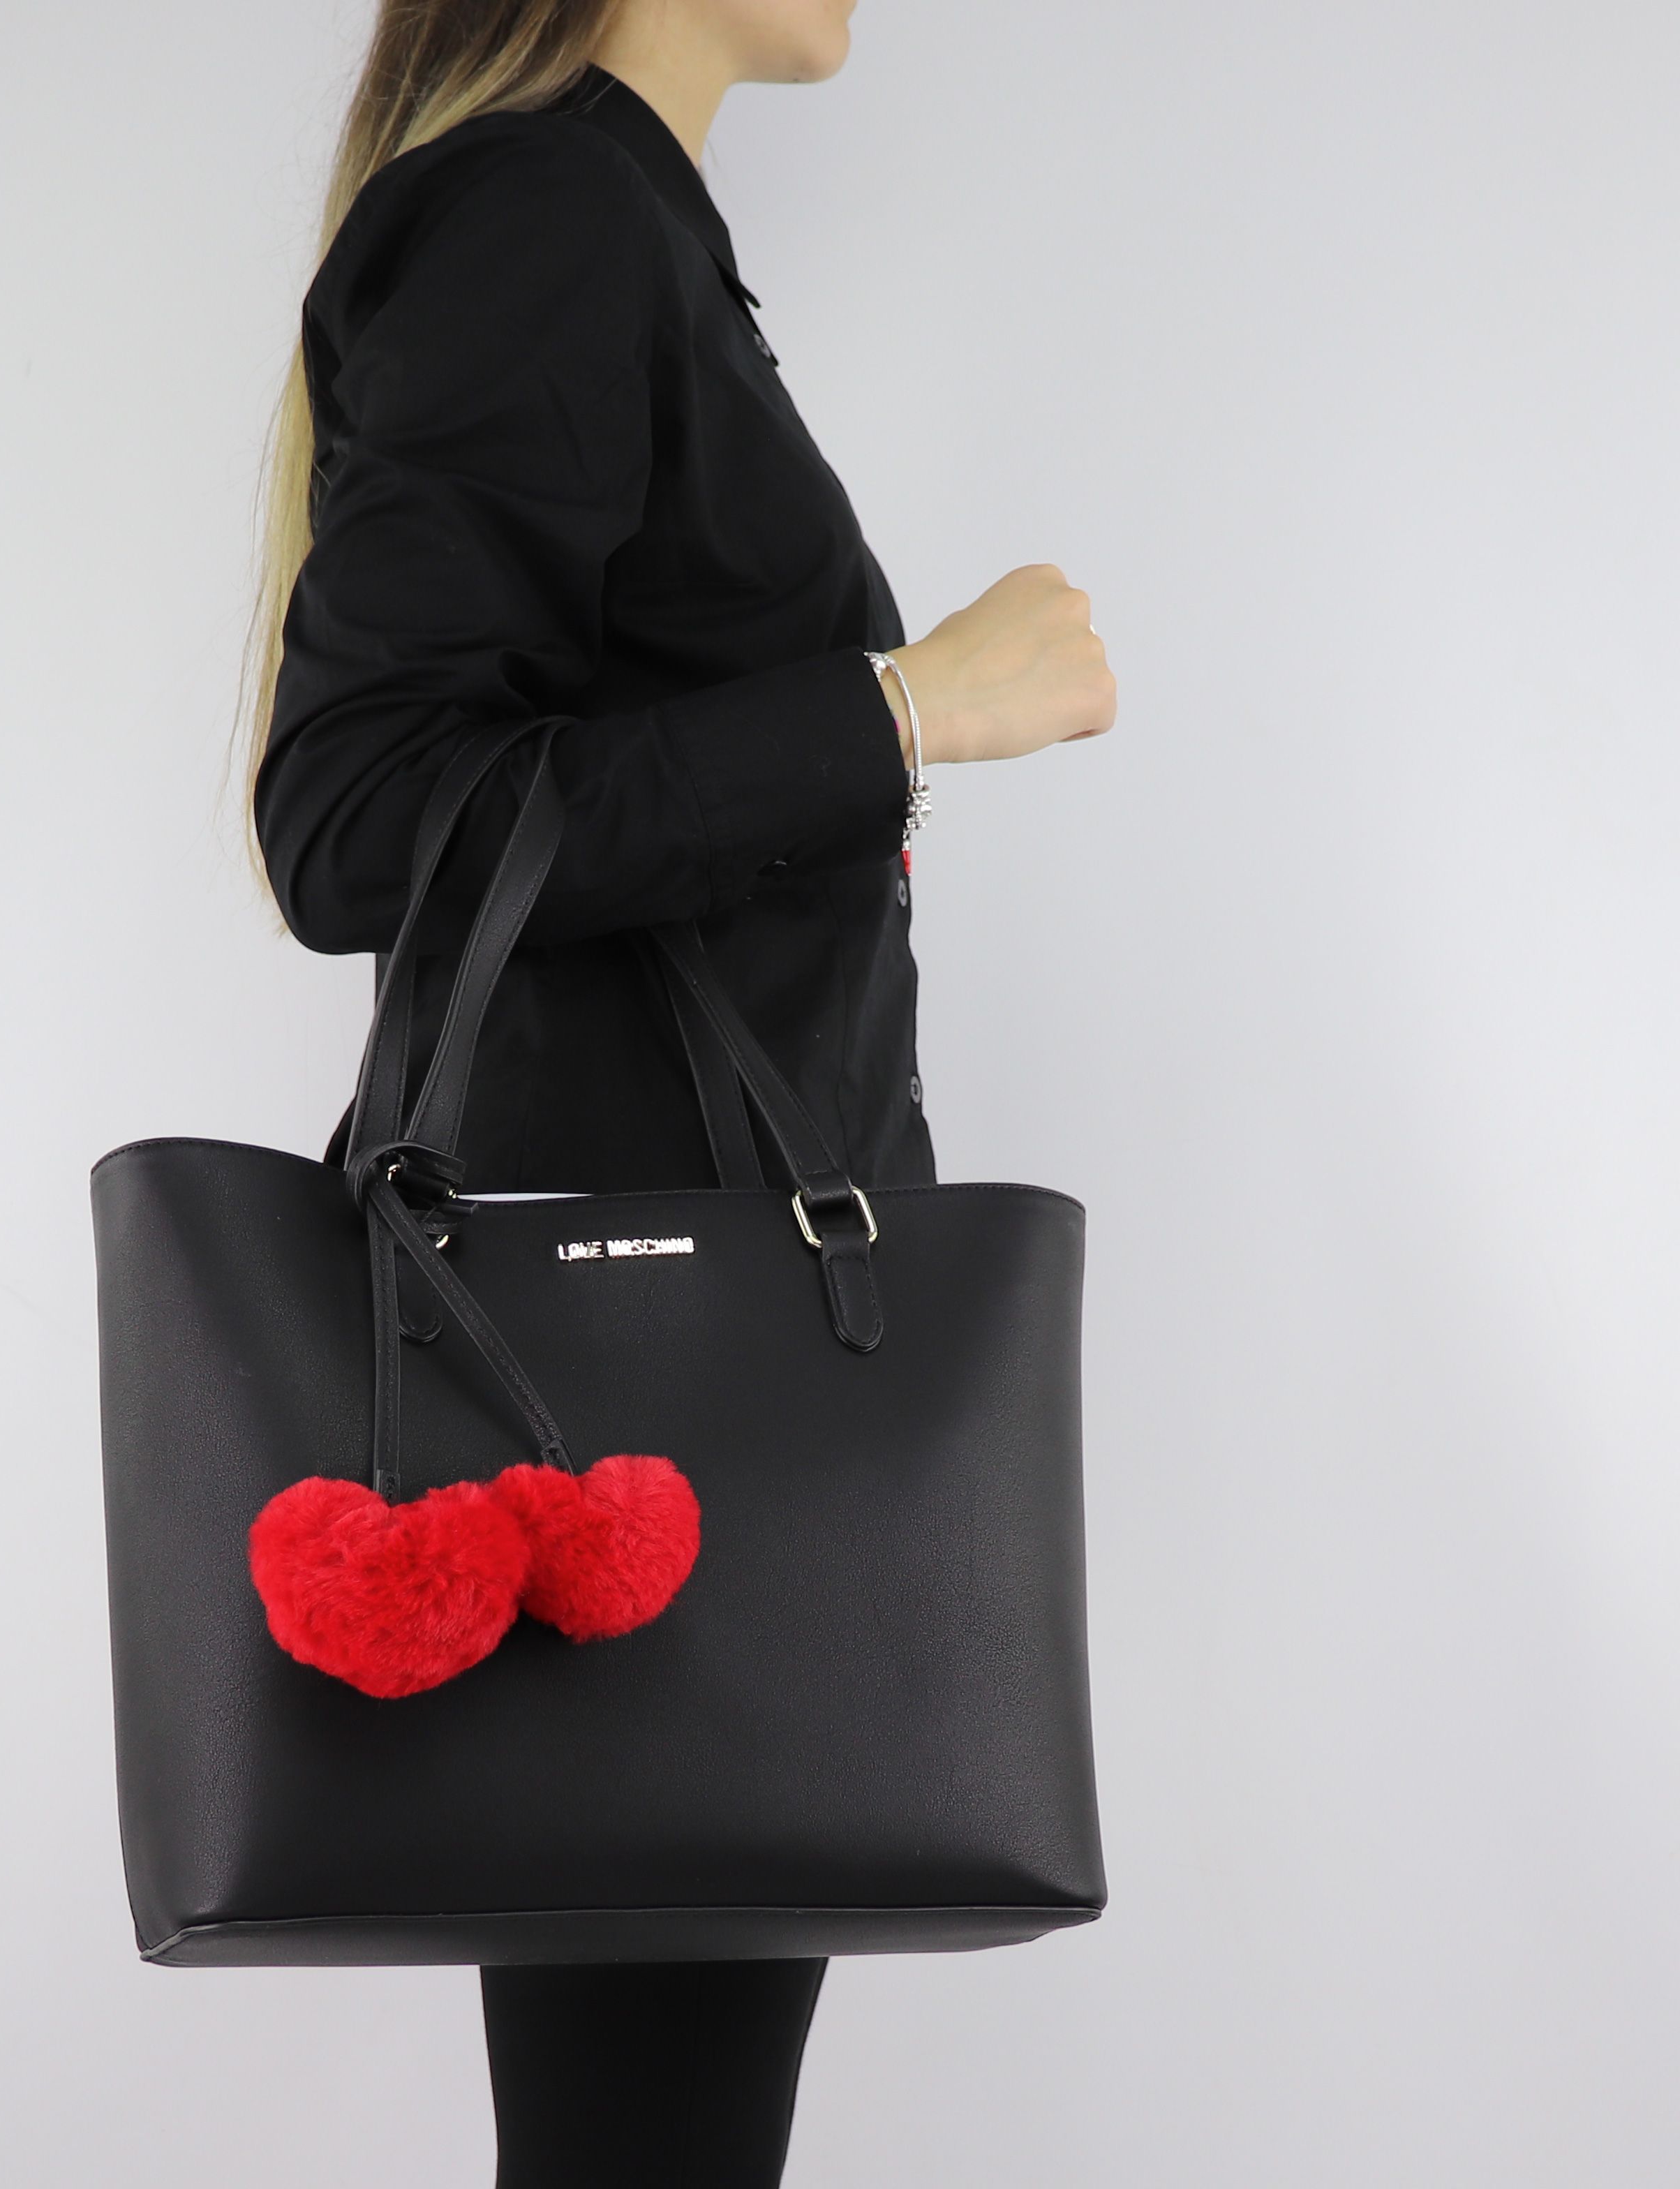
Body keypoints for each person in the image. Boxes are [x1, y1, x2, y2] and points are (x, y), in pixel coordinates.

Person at [245, 3, 1115, 2181]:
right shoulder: (543, 212)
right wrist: (900, 710)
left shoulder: (614, 224)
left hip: (675, 1378)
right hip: (637, 1401)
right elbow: (357, 814)